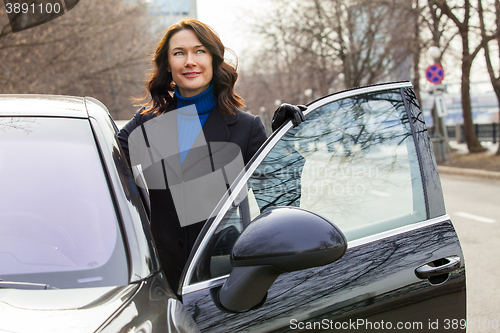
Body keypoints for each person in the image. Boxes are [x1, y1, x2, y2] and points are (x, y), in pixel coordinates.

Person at [118, 18, 305, 295]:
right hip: (162, 285)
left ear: (214, 60)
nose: (189, 61)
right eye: (179, 53)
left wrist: (282, 143)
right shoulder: (144, 125)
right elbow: (105, 173)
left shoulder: (246, 128)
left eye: (200, 51)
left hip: (224, 283)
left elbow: (280, 204)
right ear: (168, 65)